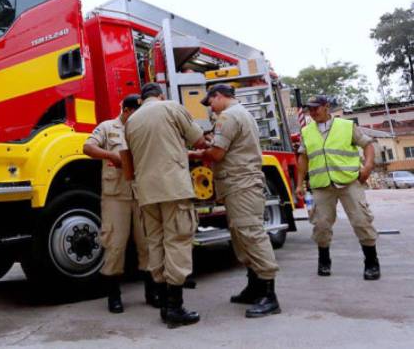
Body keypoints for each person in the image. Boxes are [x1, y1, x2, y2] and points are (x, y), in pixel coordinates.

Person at [123, 82, 207, 328]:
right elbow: (198, 140)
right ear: (160, 95)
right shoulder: (171, 107)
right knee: (178, 240)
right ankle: (175, 307)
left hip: (147, 192)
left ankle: (162, 303)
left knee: (156, 243)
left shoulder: (132, 121)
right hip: (173, 188)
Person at [197, 83, 281, 318]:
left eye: (210, 102)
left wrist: (193, 153)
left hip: (241, 184)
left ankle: (269, 295)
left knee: (251, 234)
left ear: (220, 96)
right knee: (241, 234)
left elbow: (216, 154)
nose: (210, 109)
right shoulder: (241, 114)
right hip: (239, 184)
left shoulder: (229, 116)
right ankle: (254, 287)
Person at [83, 94, 157, 314]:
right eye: (136, 112)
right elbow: (88, 148)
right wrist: (113, 156)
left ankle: (151, 291)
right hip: (115, 196)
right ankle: (113, 295)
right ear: (126, 110)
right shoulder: (107, 127)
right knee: (114, 244)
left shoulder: (143, 128)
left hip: (142, 194)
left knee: (147, 243)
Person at [295, 95, 380, 280]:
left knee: (361, 220)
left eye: (316, 108)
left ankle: (371, 262)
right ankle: (324, 261)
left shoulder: (346, 126)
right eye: (309, 109)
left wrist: (367, 166)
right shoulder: (307, 131)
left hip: (348, 181)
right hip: (321, 185)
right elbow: (303, 158)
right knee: (321, 224)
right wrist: (299, 183)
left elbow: (368, 145)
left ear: (326, 107)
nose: (312, 112)